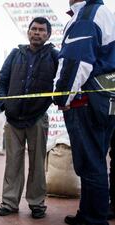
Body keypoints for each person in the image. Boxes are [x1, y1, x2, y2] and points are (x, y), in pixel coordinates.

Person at [53, 0, 115, 224]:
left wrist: (62, 96)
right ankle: (88, 214)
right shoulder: (104, 13)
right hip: (104, 100)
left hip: (86, 101)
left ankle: (94, 219)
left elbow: (77, 61)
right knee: (96, 159)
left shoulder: (86, 17)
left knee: (91, 163)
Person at [0, 17, 58, 219]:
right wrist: (6, 105)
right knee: (12, 162)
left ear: (48, 34)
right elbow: (1, 82)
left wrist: (45, 104)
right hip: (13, 119)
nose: (36, 32)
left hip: (37, 118)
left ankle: (37, 203)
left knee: (38, 163)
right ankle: (10, 202)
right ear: (28, 32)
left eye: (41, 30)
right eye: (33, 29)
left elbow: (60, 83)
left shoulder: (54, 56)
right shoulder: (16, 54)